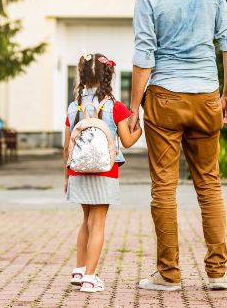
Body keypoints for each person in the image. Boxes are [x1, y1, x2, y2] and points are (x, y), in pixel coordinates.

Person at [128, 0, 227, 291]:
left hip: (166, 99)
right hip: (207, 95)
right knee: (209, 183)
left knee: (164, 186)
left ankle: (169, 275)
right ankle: (218, 272)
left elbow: (144, 56)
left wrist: (133, 107)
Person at [63, 52, 143, 293]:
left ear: (82, 75)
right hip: (104, 172)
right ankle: (90, 278)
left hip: (77, 170)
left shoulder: (73, 106)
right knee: (98, 224)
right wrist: (140, 126)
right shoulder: (113, 106)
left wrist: (66, 176)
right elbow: (128, 141)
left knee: (86, 221)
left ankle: (79, 270)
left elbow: (67, 145)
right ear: (108, 75)